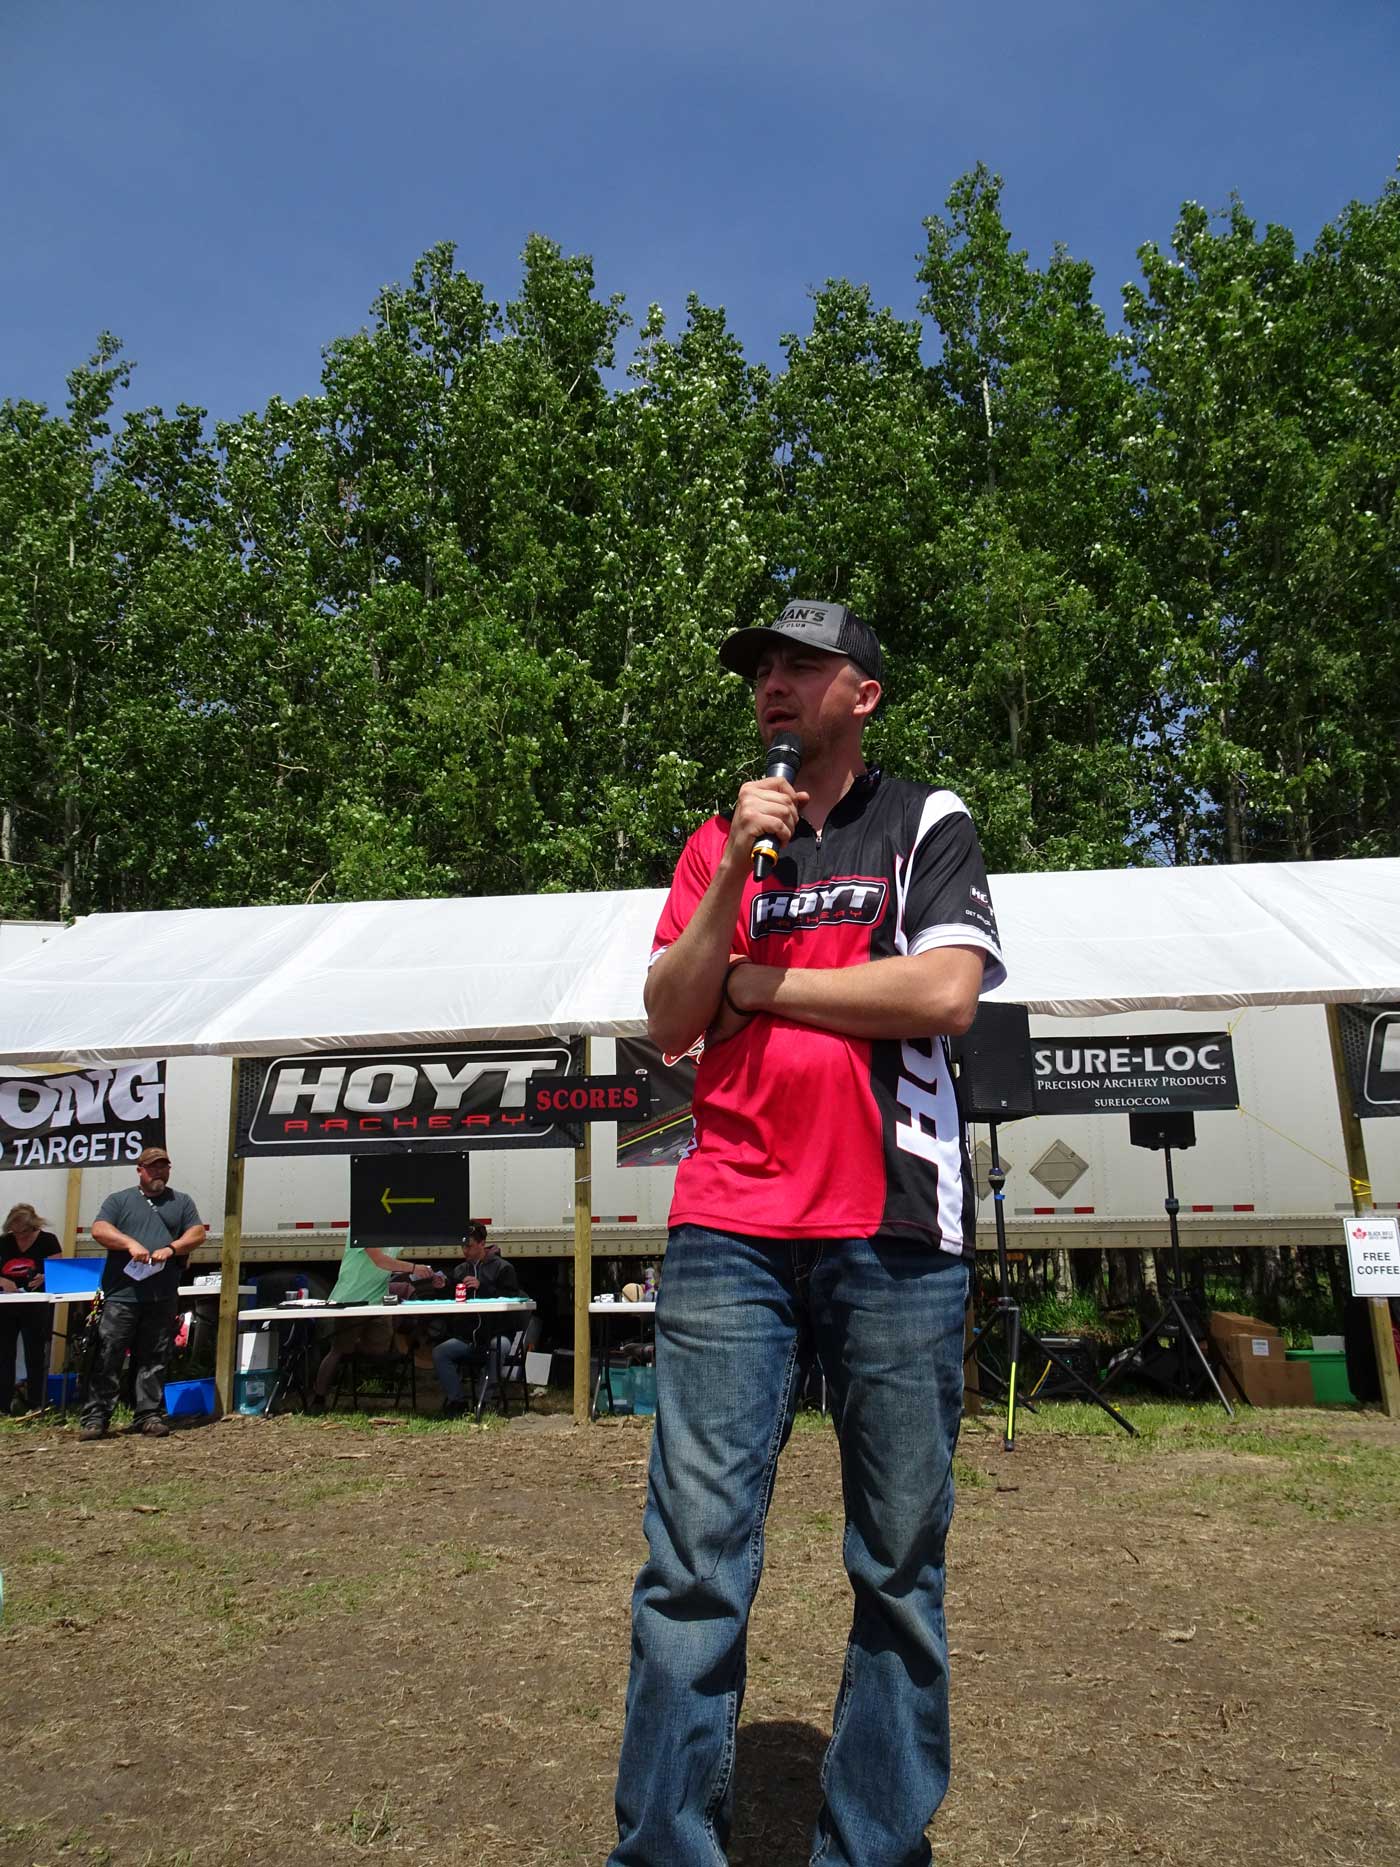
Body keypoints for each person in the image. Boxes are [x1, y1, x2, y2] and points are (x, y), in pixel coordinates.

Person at [609, 599, 1006, 1867]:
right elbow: (672, 1020)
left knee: (896, 1569)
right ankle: (664, 1848)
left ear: (862, 695)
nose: (772, 685)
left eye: (800, 666)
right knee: (692, 1566)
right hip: (727, 1223)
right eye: (759, 670)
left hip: (893, 1227)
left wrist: (761, 985)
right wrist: (731, 866)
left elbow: (941, 992)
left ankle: (870, 1850)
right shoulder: (713, 846)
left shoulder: (922, 821)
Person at [80, 1148, 206, 1441]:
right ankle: (96, 1417)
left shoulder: (181, 1202)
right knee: (108, 1355)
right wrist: (129, 1244)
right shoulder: (120, 1201)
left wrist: (172, 1249)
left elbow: (197, 1233)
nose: (159, 1173)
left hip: (161, 1295)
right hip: (122, 1295)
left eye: (164, 1167)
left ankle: (148, 1414)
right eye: (153, 1168)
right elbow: (99, 1230)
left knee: (154, 1356)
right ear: (140, 1170)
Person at [309, 1240, 439, 1410]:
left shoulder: (392, 1234)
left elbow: (393, 1266)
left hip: (378, 1300)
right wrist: (414, 1268)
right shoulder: (362, 1227)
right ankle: (318, 1398)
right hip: (352, 1301)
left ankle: (352, 1346)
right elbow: (381, 1261)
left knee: (380, 1349)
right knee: (338, 1350)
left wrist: (429, 1276)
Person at [432, 1223, 522, 1417]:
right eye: (462, 1246)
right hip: (468, 1337)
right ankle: (457, 1401)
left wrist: (483, 1287)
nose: (465, 1250)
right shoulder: (459, 1270)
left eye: (469, 1245)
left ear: (482, 1243)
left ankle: (485, 1401)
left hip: (497, 1333)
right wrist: (442, 1286)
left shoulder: (503, 1268)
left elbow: (512, 1299)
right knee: (441, 1352)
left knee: (498, 1348)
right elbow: (452, 1297)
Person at [0, 1202, 62, 1414]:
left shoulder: (47, 1240)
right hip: (7, 1305)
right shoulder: (4, 1242)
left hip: (36, 1304)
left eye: (24, 1232)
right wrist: (2, 1281)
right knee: (4, 1353)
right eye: (14, 1232)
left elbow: (59, 1268)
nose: (19, 1237)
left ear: (34, 1226)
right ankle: (3, 1403)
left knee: (35, 1353)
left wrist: (45, 1276)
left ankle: (37, 1402)